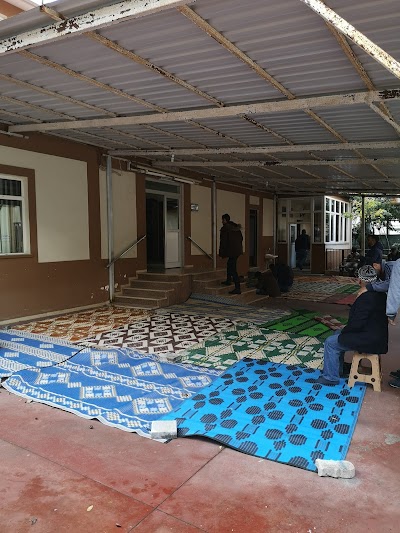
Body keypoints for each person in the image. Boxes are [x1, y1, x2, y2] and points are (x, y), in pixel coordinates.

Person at [317, 265, 388, 386]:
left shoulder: (364, 298)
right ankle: (338, 369)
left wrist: (345, 331)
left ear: (359, 280)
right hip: (377, 336)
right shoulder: (381, 295)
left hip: (369, 339)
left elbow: (356, 324)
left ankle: (330, 377)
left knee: (331, 342)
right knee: (337, 334)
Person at [219, 213, 243, 295]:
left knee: (233, 268)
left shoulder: (225, 229)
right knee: (230, 264)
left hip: (232, 251)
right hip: (237, 251)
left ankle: (237, 288)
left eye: (222, 220)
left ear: (225, 220)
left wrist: (222, 253)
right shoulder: (236, 228)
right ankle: (228, 280)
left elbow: (223, 242)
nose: (222, 221)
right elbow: (241, 238)